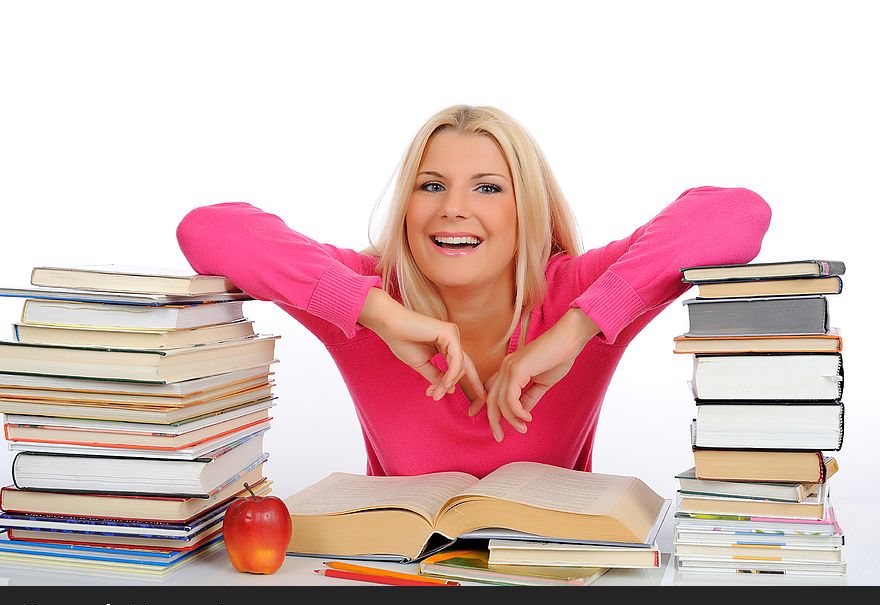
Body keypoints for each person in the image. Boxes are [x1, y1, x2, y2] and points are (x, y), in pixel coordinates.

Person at [177, 104, 771, 478]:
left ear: (526, 209)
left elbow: (735, 215)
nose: (454, 209)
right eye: (431, 185)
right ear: (407, 206)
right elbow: (210, 229)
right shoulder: (363, 293)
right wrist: (374, 311)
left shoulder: (582, 291)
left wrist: (577, 328)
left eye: (487, 188)